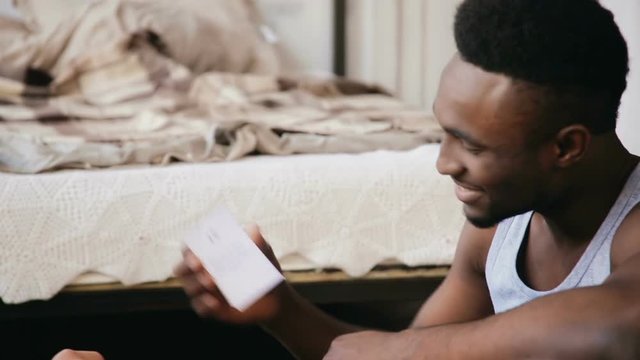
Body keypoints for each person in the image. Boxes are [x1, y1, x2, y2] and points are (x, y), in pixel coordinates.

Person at [174, 0, 640, 358]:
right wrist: (281, 309)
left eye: (472, 145)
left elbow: (617, 325)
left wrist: (406, 352)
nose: (444, 163)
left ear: (565, 147)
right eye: (444, 133)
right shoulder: (499, 232)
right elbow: (401, 351)